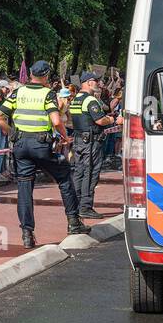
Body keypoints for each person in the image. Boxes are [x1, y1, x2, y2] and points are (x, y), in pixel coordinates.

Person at [0, 60, 86, 247]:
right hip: (41, 145)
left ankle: (27, 234)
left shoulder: (18, 92)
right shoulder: (48, 94)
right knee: (64, 177)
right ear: (45, 76)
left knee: (24, 188)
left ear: (30, 75)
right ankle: (73, 222)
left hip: (21, 146)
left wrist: (13, 134)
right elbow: (55, 120)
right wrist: (65, 136)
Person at [68, 72, 114, 219]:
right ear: (87, 82)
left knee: (79, 173)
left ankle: (76, 204)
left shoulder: (76, 99)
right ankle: (86, 207)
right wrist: (113, 120)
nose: (98, 84)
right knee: (90, 173)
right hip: (91, 142)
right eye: (95, 81)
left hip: (79, 140)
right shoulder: (90, 100)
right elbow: (100, 120)